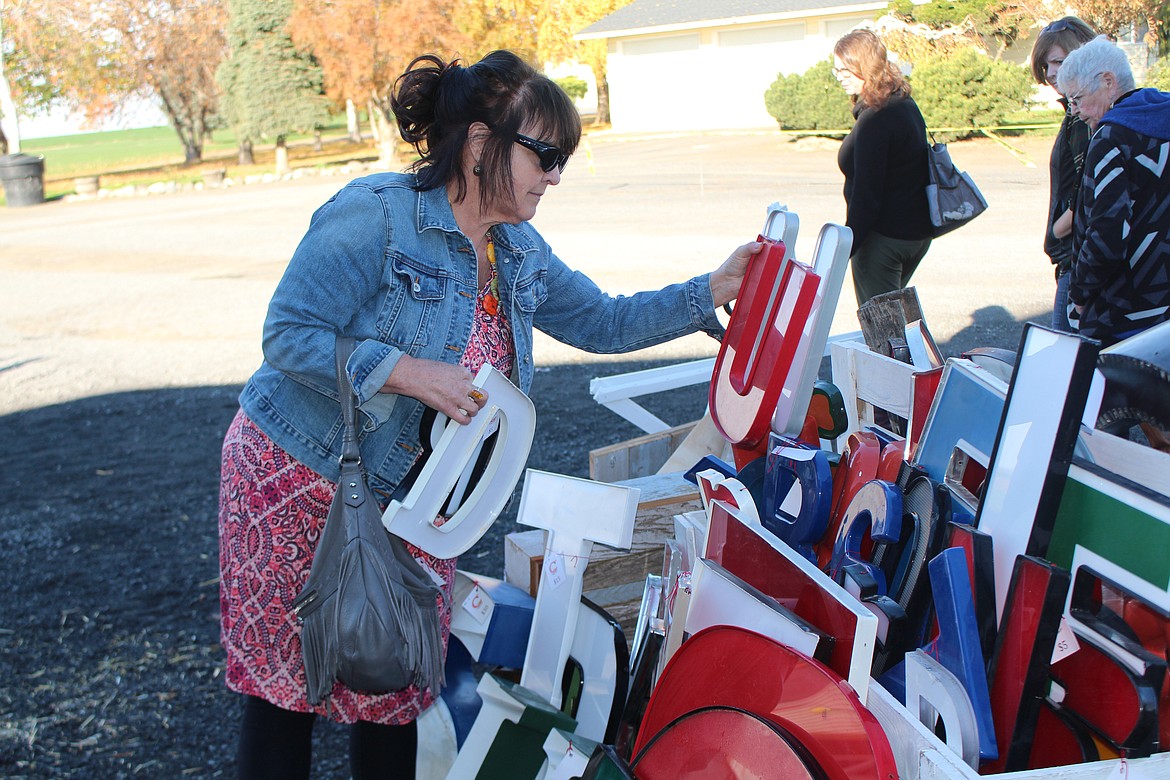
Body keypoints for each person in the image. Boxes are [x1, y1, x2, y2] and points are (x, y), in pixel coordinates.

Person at [217, 49, 758, 779]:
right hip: (297, 479)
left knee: (396, 686)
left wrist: (709, 289)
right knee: (290, 690)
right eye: (545, 154)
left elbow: (602, 320)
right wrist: (406, 374)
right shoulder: (376, 215)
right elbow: (288, 335)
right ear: (478, 145)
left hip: (415, 507)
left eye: (563, 157)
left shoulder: (515, 249)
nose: (556, 174)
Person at [1058, 36, 1170, 346]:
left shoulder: (1111, 136)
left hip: (1122, 312)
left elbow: (1107, 233)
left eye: (1077, 99)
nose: (1075, 112)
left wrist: (1079, 293)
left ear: (1108, 82)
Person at [832, 28, 934, 306]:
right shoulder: (903, 102)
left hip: (883, 240)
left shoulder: (875, 120)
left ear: (866, 67)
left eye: (846, 70)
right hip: (916, 235)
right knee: (901, 326)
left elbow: (867, 197)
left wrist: (844, 250)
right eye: (837, 70)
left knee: (884, 333)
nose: (840, 77)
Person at [1029, 17, 1096, 332]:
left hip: (1078, 258)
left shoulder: (1084, 115)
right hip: (1071, 258)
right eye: (1046, 65)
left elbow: (1090, 185)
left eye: (1058, 61)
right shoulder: (1073, 112)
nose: (1051, 72)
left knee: (1068, 366)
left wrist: (1059, 227)